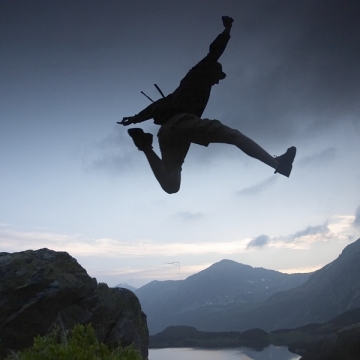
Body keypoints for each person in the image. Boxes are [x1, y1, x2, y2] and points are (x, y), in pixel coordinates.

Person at [118, 16, 296, 194]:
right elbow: (214, 52)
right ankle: (279, 164)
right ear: (211, 71)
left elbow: (157, 105)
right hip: (182, 123)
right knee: (233, 136)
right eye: (218, 76)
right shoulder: (199, 73)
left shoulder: (181, 90)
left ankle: (145, 146)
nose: (218, 81)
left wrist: (135, 118)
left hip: (167, 133)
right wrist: (227, 30)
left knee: (172, 185)